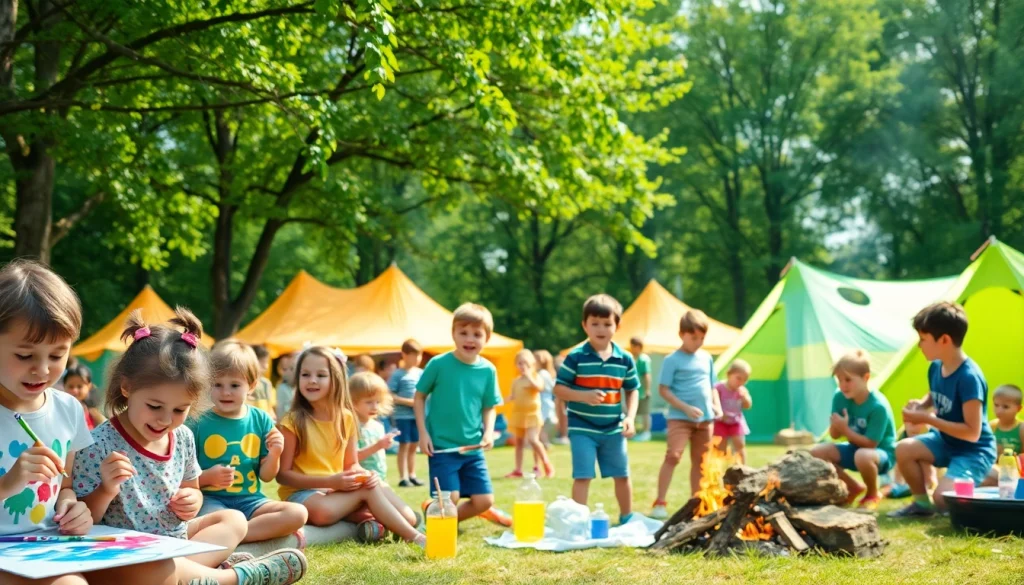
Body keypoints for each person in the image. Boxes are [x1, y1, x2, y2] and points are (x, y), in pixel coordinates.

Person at [73, 308, 306, 585]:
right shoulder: (98, 444)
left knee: (234, 521)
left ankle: (188, 576)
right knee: (153, 570)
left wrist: (191, 501)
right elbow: (82, 523)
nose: (165, 419)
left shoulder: (181, 436)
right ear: (127, 387)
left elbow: (192, 489)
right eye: (154, 406)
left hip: (176, 541)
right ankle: (233, 577)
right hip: (128, 554)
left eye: (180, 409)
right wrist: (107, 489)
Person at [0, 260, 95, 585]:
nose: (42, 370)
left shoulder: (68, 409)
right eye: (25, 356)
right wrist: (7, 486)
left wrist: (73, 508)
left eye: (57, 356)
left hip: (44, 551)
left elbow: (64, 486)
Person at [276, 346, 425, 546]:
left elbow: (352, 464)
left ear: (335, 379)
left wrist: (364, 474)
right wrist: (331, 481)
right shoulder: (292, 422)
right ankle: (414, 537)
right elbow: (283, 475)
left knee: (408, 517)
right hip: (303, 495)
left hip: (336, 491)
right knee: (350, 501)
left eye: (321, 375)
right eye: (305, 374)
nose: (312, 380)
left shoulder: (346, 418)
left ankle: (376, 524)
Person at [189, 340, 308, 543]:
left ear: (251, 386)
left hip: (251, 501)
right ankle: (234, 533)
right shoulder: (197, 421)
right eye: (217, 385)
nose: (226, 392)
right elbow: (181, 478)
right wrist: (207, 477)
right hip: (211, 501)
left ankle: (234, 536)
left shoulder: (261, 419)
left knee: (298, 513)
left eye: (234, 385)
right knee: (217, 520)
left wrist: (275, 453)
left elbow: (267, 476)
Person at [889, 302, 998, 518]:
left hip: (974, 450)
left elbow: (972, 432)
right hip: (946, 441)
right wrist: (921, 405)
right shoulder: (936, 366)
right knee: (904, 449)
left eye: (923, 339)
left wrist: (927, 418)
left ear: (944, 340)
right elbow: (934, 394)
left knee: (944, 499)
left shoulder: (969, 377)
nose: (919, 345)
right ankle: (921, 505)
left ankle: (991, 476)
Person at [416, 303, 511, 527]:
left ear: (487, 338)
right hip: (441, 448)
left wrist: (488, 433)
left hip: (473, 448)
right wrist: (423, 433)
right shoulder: (438, 364)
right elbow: (419, 397)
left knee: (484, 501)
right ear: (453, 334)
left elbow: (490, 406)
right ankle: (438, 511)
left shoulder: (488, 370)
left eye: (477, 334)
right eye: (463, 332)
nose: (470, 339)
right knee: (452, 498)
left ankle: (439, 511)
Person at [554, 294, 639, 525]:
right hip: (582, 427)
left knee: (622, 475)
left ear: (617, 326)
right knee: (583, 476)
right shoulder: (575, 357)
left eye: (607, 323)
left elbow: (632, 389)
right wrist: (583, 396)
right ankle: (579, 521)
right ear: (584, 325)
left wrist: (630, 418)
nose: (600, 329)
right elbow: (559, 389)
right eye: (594, 323)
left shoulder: (625, 359)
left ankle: (626, 517)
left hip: (614, 428)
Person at [650, 310, 721, 520]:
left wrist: (716, 405)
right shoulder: (672, 359)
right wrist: (685, 408)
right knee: (673, 456)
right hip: (679, 418)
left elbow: (712, 386)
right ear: (682, 334)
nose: (698, 342)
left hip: (705, 420)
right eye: (693, 337)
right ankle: (660, 502)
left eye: (702, 338)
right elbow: (663, 389)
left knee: (701, 462)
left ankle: (698, 503)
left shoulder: (706, 358)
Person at [809, 350, 897, 510]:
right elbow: (835, 436)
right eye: (839, 380)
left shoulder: (878, 406)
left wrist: (845, 430)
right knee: (816, 453)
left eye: (848, 380)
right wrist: (836, 426)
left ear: (866, 378)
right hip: (855, 449)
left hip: (880, 454)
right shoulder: (839, 397)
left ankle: (872, 493)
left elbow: (871, 444)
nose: (843, 385)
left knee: (862, 455)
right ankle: (853, 487)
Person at [505, 350, 554, 479]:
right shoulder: (516, 381)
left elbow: (539, 387)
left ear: (531, 364)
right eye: (520, 363)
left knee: (533, 440)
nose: (522, 366)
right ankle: (518, 469)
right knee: (519, 442)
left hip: (532, 415)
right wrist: (503, 400)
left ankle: (543, 464)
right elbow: (514, 395)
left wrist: (529, 376)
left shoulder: (536, 377)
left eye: (525, 363)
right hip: (519, 414)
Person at [389, 339, 425, 487]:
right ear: (404, 355)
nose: (416, 359)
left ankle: (412, 474)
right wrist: (408, 402)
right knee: (404, 445)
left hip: (417, 416)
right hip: (402, 416)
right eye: (413, 355)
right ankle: (403, 477)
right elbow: (390, 395)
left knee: (414, 445)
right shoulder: (398, 374)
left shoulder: (421, 373)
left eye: (419, 355)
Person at [351, 372, 398, 481]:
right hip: (361, 482)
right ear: (353, 402)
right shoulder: (352, 427)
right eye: (369, 402)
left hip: (380, 478)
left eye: (378, 401)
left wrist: (386, 443)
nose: (375, 407)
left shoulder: (378, 426)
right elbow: (352, 458)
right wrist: (378, 445)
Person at [982, 384, 1024, 486]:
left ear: (1018, 408)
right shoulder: (992, 426)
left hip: (1015, 472)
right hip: (995, 469)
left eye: (1005, 407)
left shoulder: (1021, 429)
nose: (999, 410)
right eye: (996, 405)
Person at [884, 420, 937, 499]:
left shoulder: (933, 439)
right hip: (903, 476)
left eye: (918, 423)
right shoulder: (902, 440)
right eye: (909, 423)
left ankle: (925, 487)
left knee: (924, 460)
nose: (913, 427)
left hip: (930, 468)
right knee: (901, 452)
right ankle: (899, 485)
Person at [713, 359, 753, 463]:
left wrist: (745, 398)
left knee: (739, 445)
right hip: (720, 421)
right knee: (720, 446)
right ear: (729, 374)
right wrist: (719, 413)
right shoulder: (719, 387)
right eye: (738, 378)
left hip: (736, 421)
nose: (741, 382)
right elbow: (712, 402)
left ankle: (742, 468)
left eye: (744, 380)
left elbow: (748, 405)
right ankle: (717, 470)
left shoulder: (742, 390)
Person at [61, 363, 107, 430]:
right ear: (64, 386)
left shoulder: (93, 412)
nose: (75, 391)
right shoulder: (60, 409)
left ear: (89, 386)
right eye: (71, 386)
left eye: (79, 386)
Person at [628, 337, 653, 442]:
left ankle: (646, 432)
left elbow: (647, 375)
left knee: (644, 413)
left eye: (634, 346)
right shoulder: (631, 358)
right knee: (632, 412)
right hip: (632, 390)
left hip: (641, 391)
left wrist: (647, 390)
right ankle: (633, 431)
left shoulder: (644, 359)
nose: (632, 348)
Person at [533, 349, 558, 447]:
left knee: (540, 424)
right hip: (546, 401)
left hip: (542, 401)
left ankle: (544, 443)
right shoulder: (547, 373)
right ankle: (544, 442)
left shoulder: (542, 373)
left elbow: (540, 387)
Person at [249, 345, 276, 421]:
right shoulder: (244, 383)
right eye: (262, 362)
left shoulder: (266, 383)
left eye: (266, 362)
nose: (266, 366)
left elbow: (269, 405)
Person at [552, 354, 570, 445]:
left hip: (563, 397)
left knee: (563, 415)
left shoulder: (561, 372)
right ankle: (563, 435)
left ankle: (564, 435)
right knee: (563, 415)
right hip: (564, 397)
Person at [274, 351, 296, 422]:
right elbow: (280, 410)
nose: (286, 372)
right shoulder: (282, 387)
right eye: (284, 369)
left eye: (291, 368)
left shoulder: (298, 387)